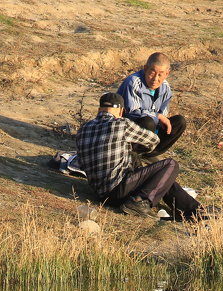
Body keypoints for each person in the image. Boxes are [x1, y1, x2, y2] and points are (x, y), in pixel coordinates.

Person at [75, 92, 203, 221]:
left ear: (99, 110)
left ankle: (193, 210)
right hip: (120, 189)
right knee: (170, 165)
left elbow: (81, 163)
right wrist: (135, 147)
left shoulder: (83, 129)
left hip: (100, 195)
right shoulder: (121, 124)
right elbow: (153, 140)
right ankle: (140, 202)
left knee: (159, 176)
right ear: (121, 111)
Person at [118, 52, 186, 158]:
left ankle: (149, 155)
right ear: (145, 69)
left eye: (160, 74)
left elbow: (163, 114)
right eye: (152, 73)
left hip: (151, 132)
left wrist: (161, 119)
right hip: (128, 131)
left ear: (167, 74)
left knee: (180, 122)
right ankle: (133, 154)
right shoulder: (134, 82)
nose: (155, 79)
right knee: (148, 121)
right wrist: (157, 116)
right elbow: (131, 112)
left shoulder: (165, 88)